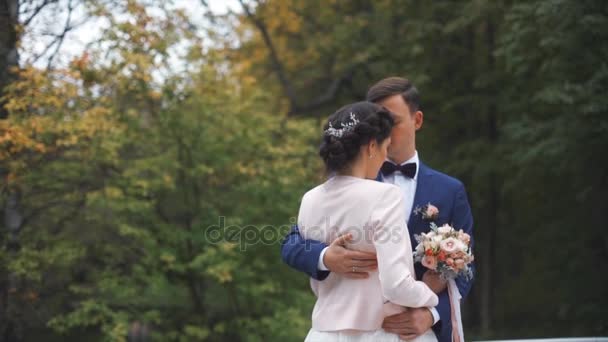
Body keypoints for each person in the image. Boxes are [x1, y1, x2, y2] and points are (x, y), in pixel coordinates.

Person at [281, 77, 475, 342]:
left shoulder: (450, 191)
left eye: (391, 122)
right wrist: (325, 257)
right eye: (376, 124)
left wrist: (432, 313)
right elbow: (292, 244)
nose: (382, 132)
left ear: (417, 120)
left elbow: (465, 265)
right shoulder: (344, 188)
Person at [297, 101, 438, 342]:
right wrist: (430, 297)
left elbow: (317, 284)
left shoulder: (309, 199)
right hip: (382, 333)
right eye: (385, 147)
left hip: (323, 334)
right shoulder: (384, 195)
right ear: (372, 146)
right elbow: (396, 285)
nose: (385, 156)